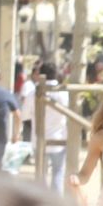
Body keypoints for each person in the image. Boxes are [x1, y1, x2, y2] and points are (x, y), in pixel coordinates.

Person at [39, 63, 72, 193]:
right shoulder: (64, 93)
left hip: (40, 139)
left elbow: (26, 115)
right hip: (59, 138)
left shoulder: (33, 92)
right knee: (58, 174)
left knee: (40, 176)